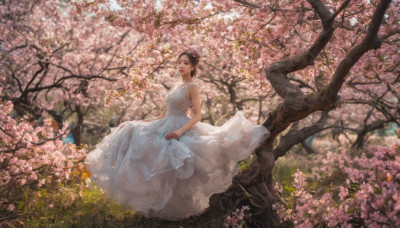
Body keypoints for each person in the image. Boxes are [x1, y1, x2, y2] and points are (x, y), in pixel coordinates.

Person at [84, 47, 270, 220]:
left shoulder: (192, 86)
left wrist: (180, 131)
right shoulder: (176, 85)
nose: (181, 66)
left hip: (181, 126)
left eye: (186, 63)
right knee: (131, 131)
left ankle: (176, 208)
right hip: (165, 123)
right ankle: (157, 205)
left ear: (193, 66)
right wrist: (135, 122)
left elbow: (197, 115)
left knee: (177, 166)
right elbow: (163, 114)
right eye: (179, 62)